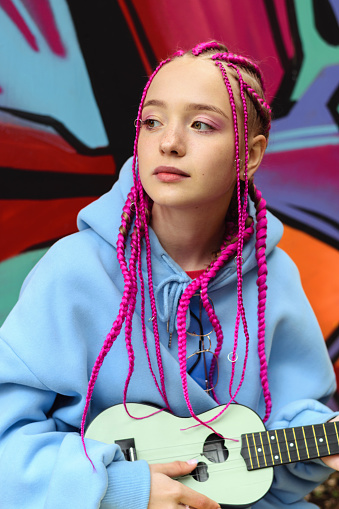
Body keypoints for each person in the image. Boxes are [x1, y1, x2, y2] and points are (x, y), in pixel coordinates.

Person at [0, 41, 338, 509]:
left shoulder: (274, 279)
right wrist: (119, 490)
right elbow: (6, 449)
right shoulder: (73, 272)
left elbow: (278, 474)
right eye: (152, 121)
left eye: (201, 124)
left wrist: (312, 448)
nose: (169, 142)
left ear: (250, 155)